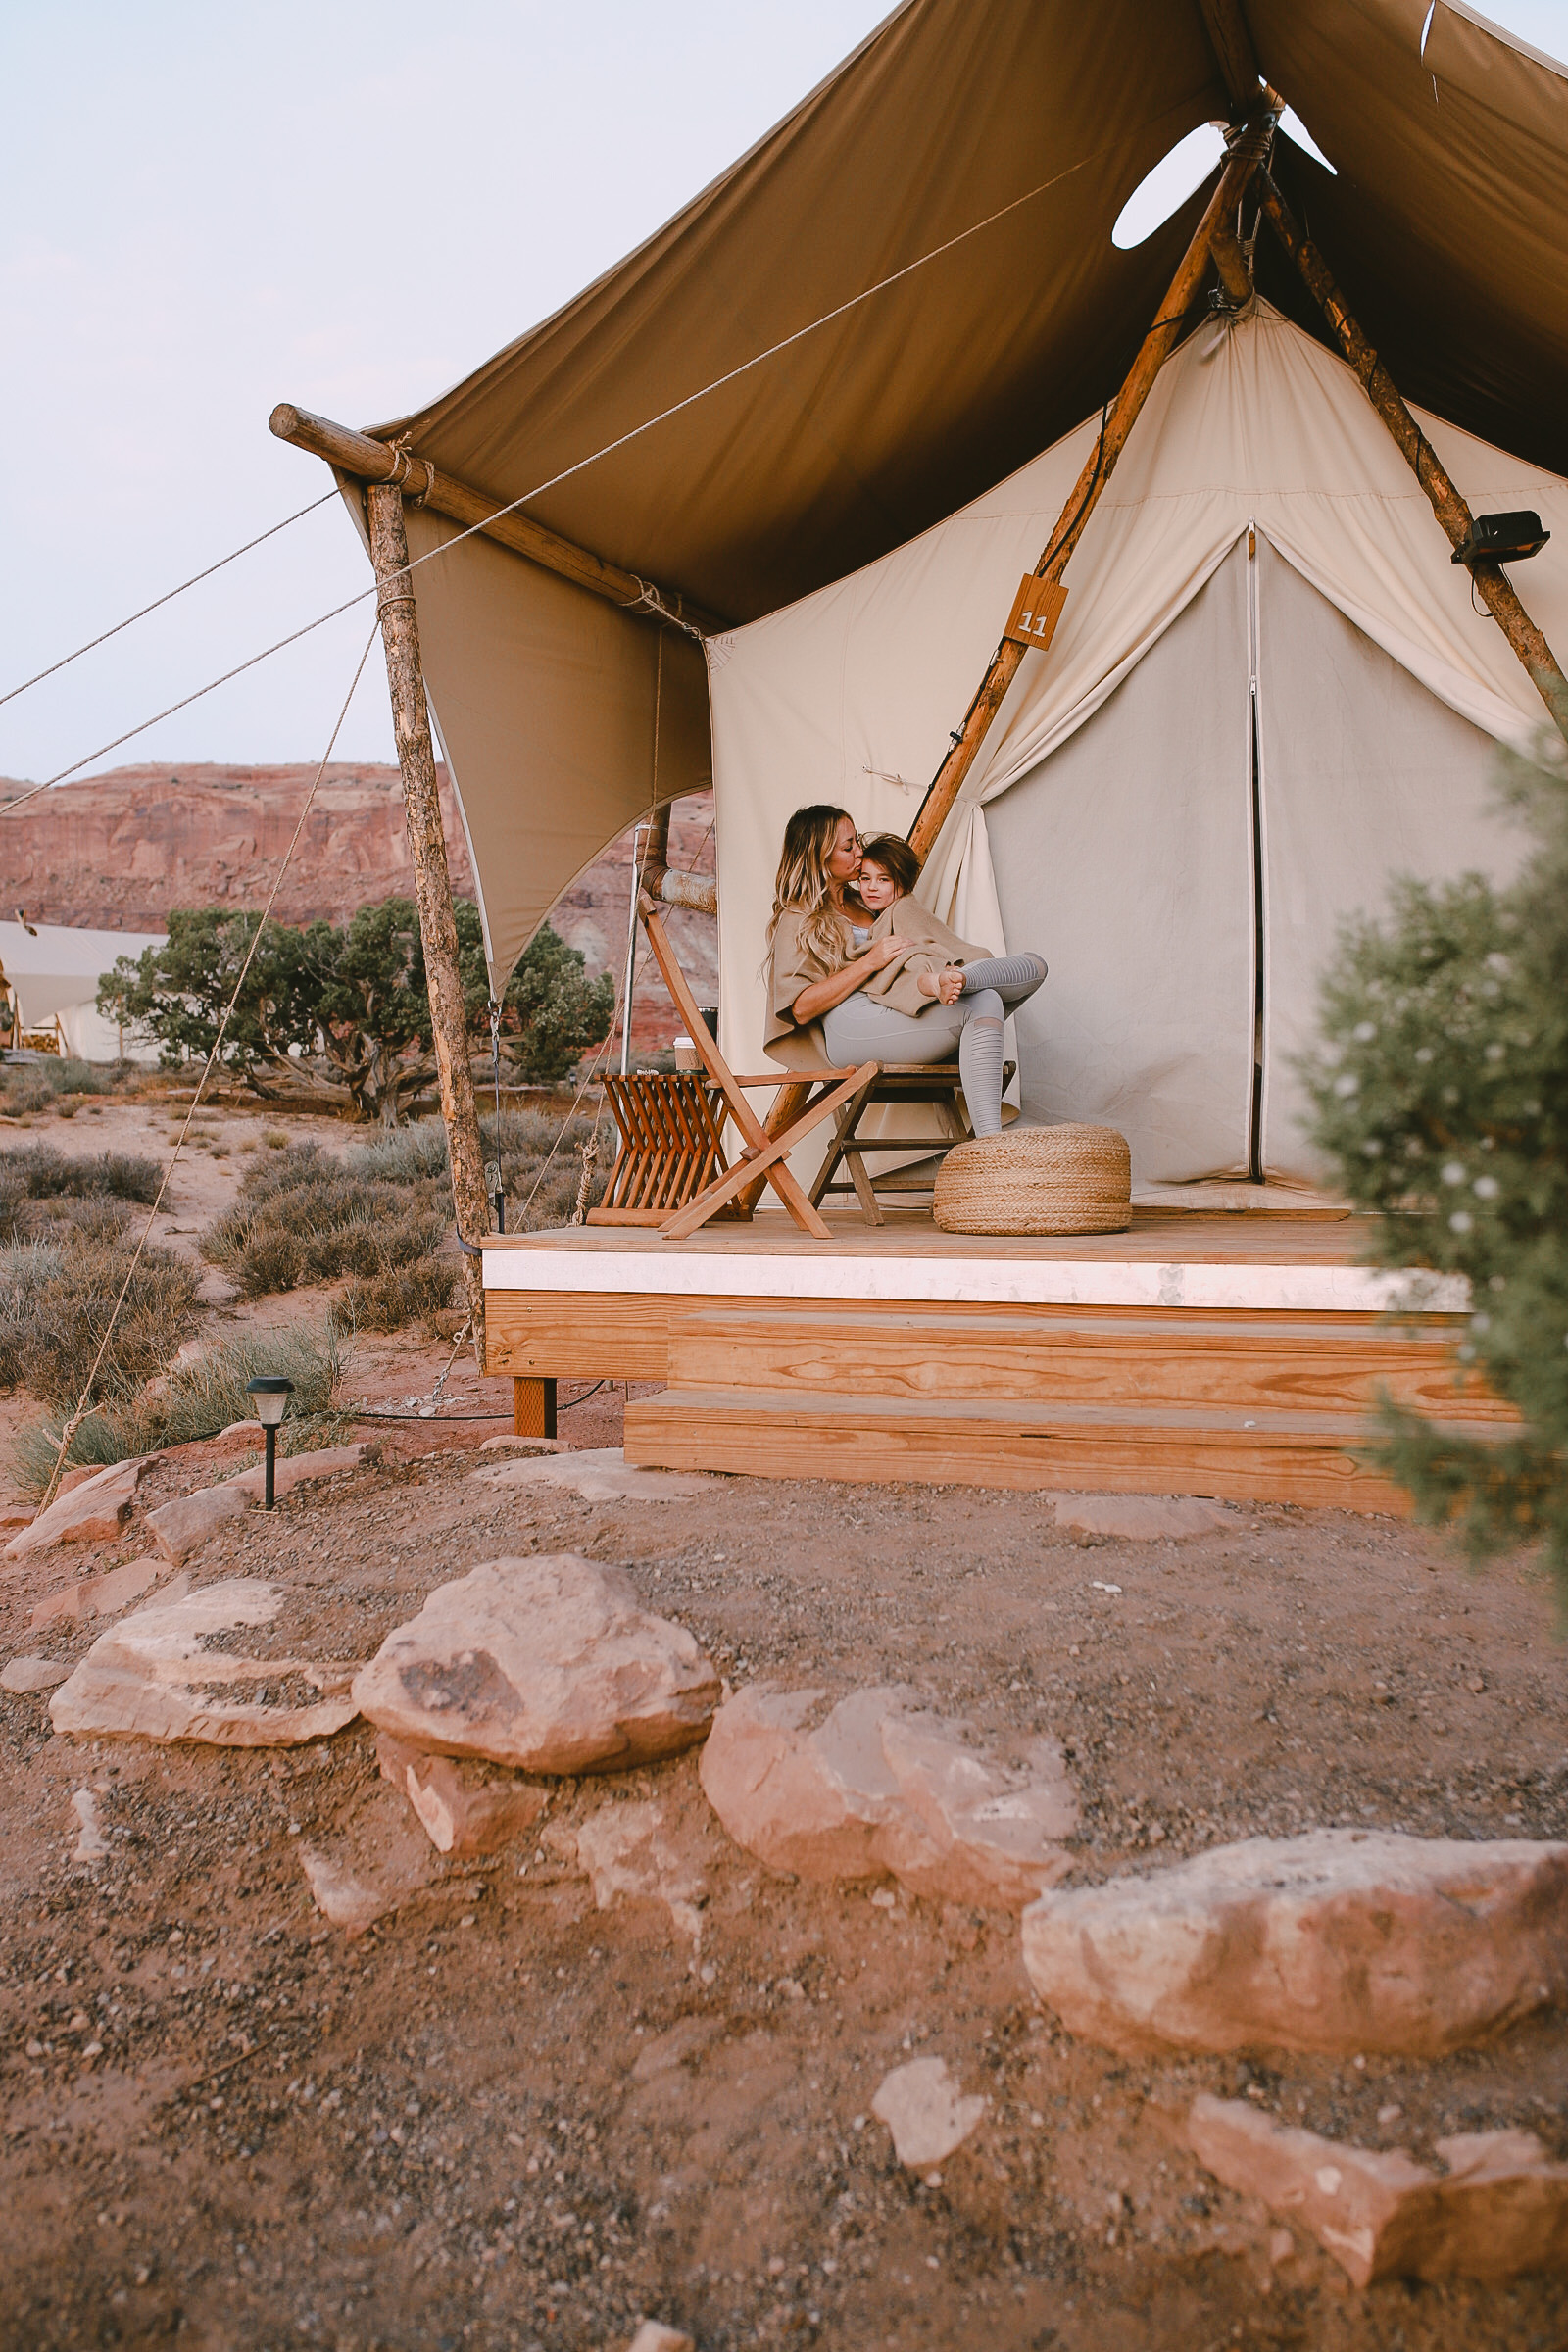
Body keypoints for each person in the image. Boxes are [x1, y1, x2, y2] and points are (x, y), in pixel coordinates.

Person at [763, 808, 1047, 1138]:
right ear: (820, 856)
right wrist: (869, 963)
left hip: (900, 1005)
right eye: (848, 847)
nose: (860, 852)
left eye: (857, 842)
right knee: (981, 1003)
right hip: (848, 1026)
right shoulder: (798, 918)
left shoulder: (871, 900)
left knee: (1014, 981)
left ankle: (989, 1145)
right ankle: (991, 1147)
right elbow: (799, 1008)